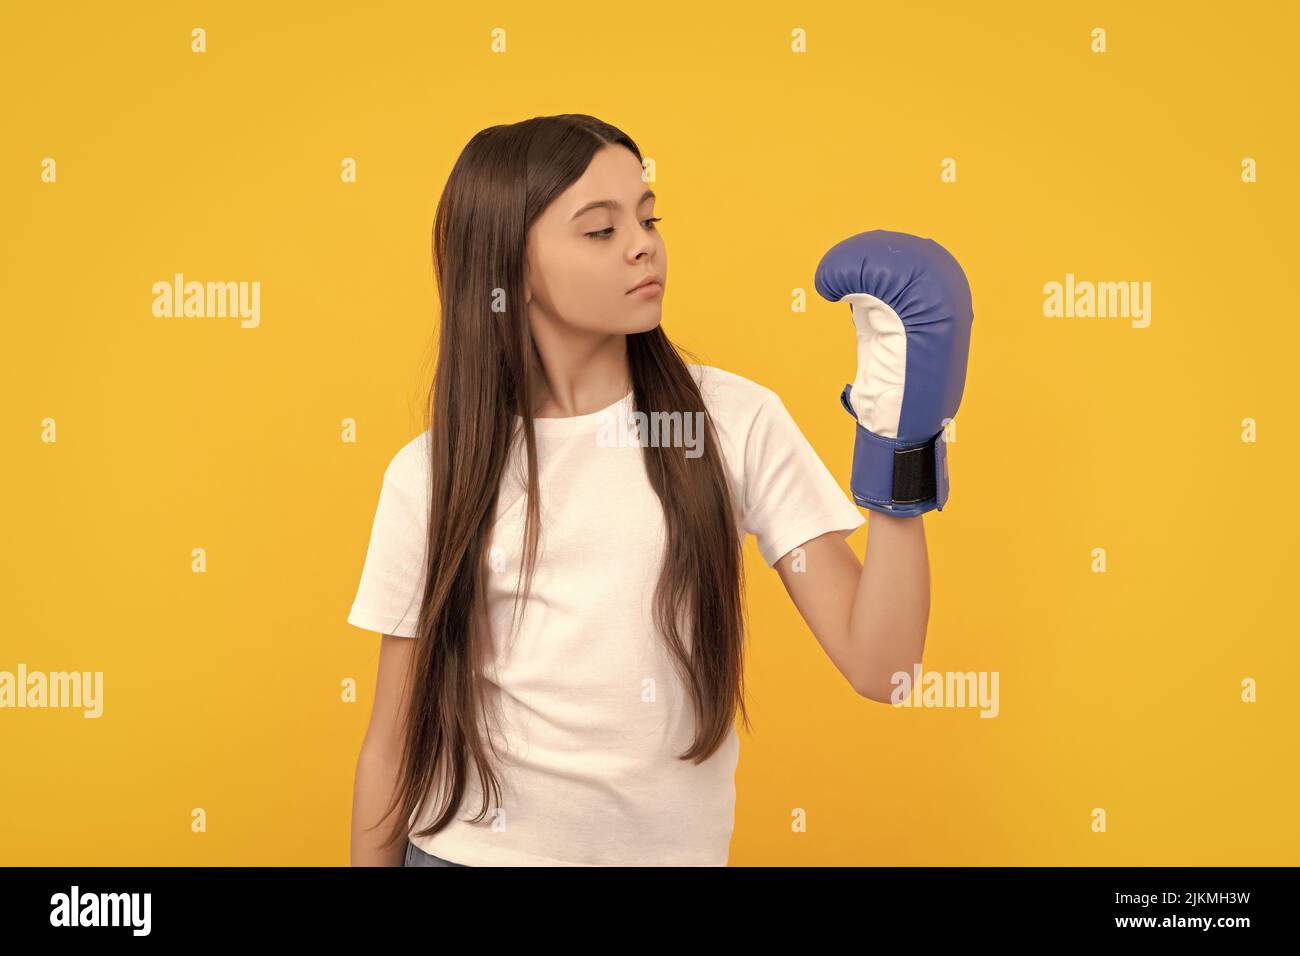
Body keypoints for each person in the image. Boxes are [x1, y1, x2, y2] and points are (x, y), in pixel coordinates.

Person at [346, 114, 938, 867]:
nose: (642, 243)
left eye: (648, 216)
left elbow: (882, 667)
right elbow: (389, 746)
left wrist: (901, 452)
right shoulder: (435, 470)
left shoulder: (730, 421)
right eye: (599, 230)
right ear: (509, 270)